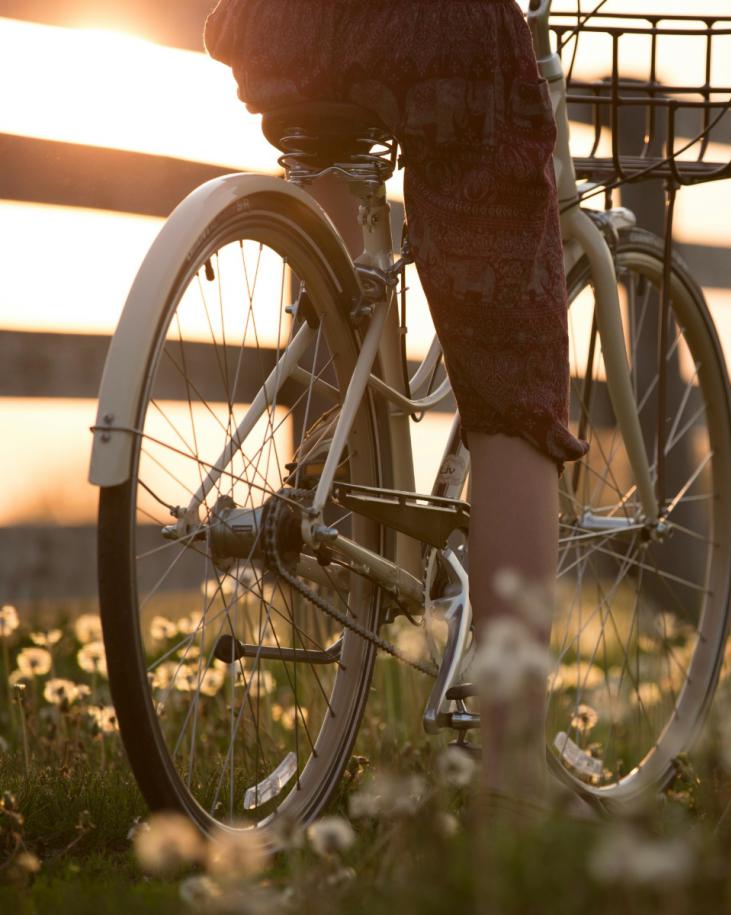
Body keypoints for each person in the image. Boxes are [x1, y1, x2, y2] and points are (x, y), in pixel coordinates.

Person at [203, 0, 589, 808]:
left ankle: (337, 472)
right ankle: (511, 782)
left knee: (336, 256)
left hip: (278, 26)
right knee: (513, 383)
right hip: (435, 34)